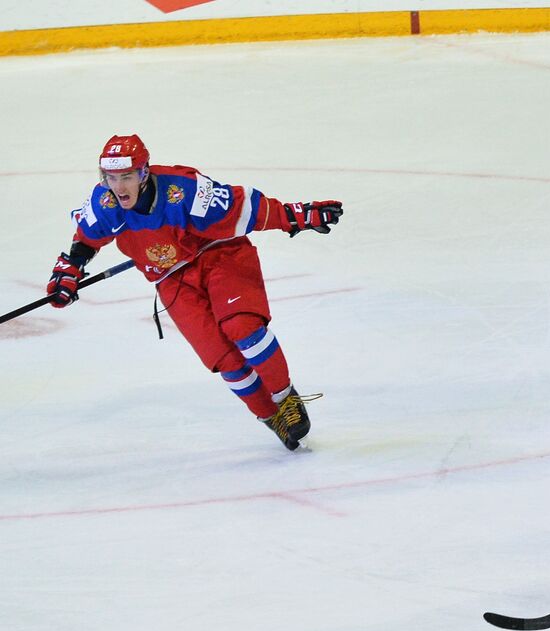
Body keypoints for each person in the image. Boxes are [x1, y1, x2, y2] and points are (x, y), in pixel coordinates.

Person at [48, 134, 342, 450]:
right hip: (172, 277)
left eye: (127, 176)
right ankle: (271, 416)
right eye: (111, 177)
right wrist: (69, 271)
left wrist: (294, 216)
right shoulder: (104, 203)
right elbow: (86, 240)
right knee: (221, 356)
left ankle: (285, 398)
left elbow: (242, 207)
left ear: (144, 173)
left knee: (242, 327)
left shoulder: (183, 189)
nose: (118, 187)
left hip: (219, 253)